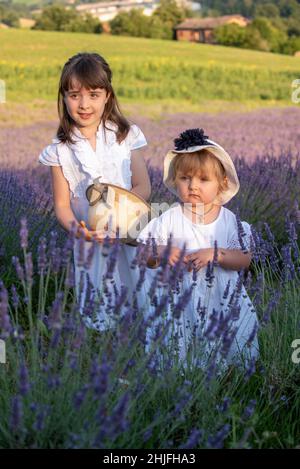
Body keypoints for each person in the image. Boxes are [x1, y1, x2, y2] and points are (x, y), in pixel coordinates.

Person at [38, 52, 151, 331]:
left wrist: (122, 214)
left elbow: (143, 185)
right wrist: (80, 231)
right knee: (100, 299)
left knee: (139, 290)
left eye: (94, 95)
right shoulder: (59, 151)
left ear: (107, 97)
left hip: (129, 230)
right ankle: (102, 346)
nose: (84, 104)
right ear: (64, 98)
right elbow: (62, 205)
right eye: (75, 95)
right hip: (90, 237)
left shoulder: (125, 136)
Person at [137, 128, 259, 371]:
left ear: (221, 184)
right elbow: (143, 255)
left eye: (203, 180)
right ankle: (180, 380)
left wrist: (217, 254)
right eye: (185, 178)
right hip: (178, 300)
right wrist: (160, 251)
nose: (193, 186)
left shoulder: (228, 221)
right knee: (179, 347)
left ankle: (230, 377)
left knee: (230, 343)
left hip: (222, 299)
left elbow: (244, 258)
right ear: (175, 180)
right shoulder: (168, 218)